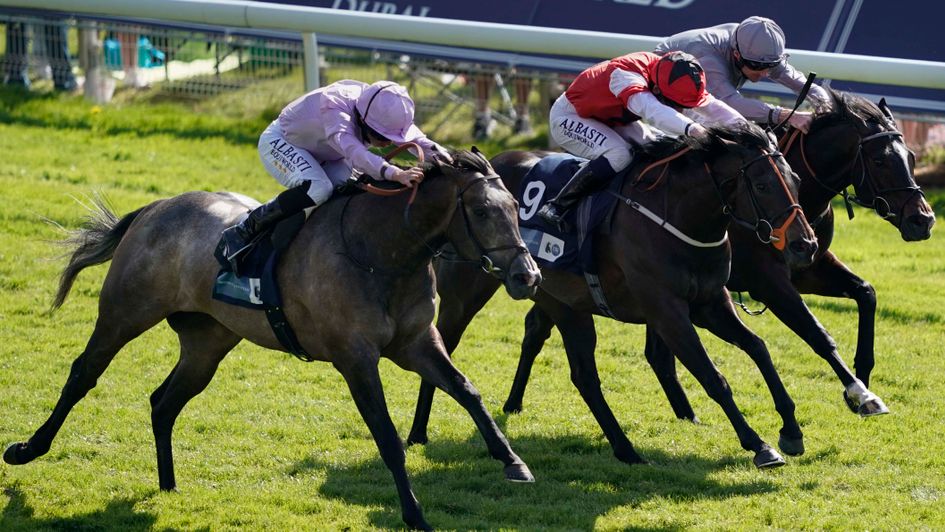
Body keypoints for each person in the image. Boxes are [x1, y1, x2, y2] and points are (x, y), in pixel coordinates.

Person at [221, 79, 451, 268]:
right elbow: (354, 151)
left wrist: (449, 159)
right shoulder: (335, 107)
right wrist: (394, 173)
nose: (386, 144)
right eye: (382, 138)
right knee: (319, 188)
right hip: (282, 143)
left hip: (328, 154)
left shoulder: (379, 108)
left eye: (392, 140)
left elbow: (418, 140)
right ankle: (246, 229)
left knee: (347, 191)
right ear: (363, 120)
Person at [536, 50, 745, 228]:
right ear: (656, 90)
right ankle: (558, 205)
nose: (681, 110)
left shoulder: (673, 73)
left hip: (611, 117)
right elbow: (652, 110)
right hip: (571, 116)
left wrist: (748, 129)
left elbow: (713, 107)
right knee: (620, 154)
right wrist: (693, 129)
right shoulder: (626, 76)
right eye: (676, 104)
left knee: (658, 148)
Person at [655, 16, 831, 133]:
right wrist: (786, 115)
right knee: (728, 126)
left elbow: (806, 86)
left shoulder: (758, 52)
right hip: (664, 90)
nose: (764, 73)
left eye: (771, 66)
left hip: (702, 91)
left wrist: (826, 107)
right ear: (737, 55)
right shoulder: (709, 57)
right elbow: (730, 103)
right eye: (757, 66)